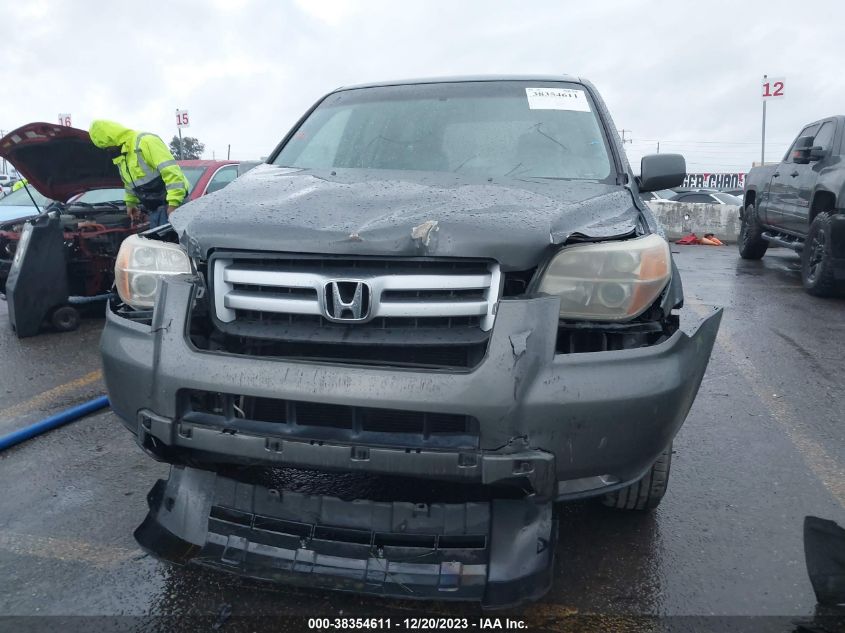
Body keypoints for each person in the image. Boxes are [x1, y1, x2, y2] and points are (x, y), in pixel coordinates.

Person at [88, 120, 189, 228]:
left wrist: (173, 204)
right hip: (155, 209)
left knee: (173, 244)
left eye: (109, 147)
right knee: (156, 243)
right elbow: (130, 183)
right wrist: (131, 203)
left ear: (115, 139)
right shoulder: (121, 154)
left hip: (175, 205)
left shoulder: (146, 141)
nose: (108, 151)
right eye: (105, 149)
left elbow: (172, 173)